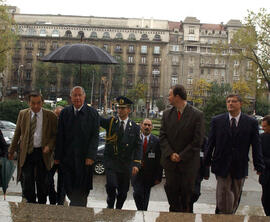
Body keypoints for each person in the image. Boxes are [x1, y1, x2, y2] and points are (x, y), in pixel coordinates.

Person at [204, 94, 265, 214]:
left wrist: (259, 165)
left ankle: (227, 213)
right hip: (221, 164)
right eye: (228, 101)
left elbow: (256, 145)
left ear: (240, 104)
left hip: (240, 165)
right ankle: (225, 215)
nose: (230, 103)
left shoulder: (250, 122)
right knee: (224, 193)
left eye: (233, 101)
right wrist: (206, 161)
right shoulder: (217, 121)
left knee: (236, 194)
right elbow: (211, 142)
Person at [159, 84, 205, 212]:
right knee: (172, 198)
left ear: (177, 96)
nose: (168, 98)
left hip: (188, 165)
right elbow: (162, 136)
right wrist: (171, 153)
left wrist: (181, 156)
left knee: (186, 201)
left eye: (170, 95)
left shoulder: (197, 115)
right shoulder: (167, 114)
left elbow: (198, 141)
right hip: (171, 164)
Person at [8, 92, 58, 204]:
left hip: (42, 153)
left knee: (42, 183)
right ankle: (30, 205)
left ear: (42, 102)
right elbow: (17, 133)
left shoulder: (50, 116)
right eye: (33, 103)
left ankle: (41, 204)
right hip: (27, 152)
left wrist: (49, 146)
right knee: (27, 182)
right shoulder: (23, 114)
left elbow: (55, 135)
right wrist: (11, 151)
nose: (36, 106)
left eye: (38, 103)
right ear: (29, 103)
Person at [55, 86, 99, 207]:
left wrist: (91, 156)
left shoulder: (93, 114)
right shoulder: (65, 113)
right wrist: (57, 158)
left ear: (84, 96)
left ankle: (79, 215)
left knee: (82, 192)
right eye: (75, 95)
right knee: (69, 189)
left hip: (85, 161)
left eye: (80, 95)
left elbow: (95, 137)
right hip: (67, 160)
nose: (78, 98)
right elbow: (60, 136)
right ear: (71, 97)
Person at [100, 96, 142, 209]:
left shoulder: (135, 127)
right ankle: (110, 205)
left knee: (123, 193)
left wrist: (136, 163)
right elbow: (97, 119)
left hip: (126, 165)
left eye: (123, 108)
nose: (120, 110)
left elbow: (138, 146)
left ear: (129, 110)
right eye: (118, 108)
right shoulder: (111, 122)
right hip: (112, 163)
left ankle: (118, 209)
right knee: (111, 186)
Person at [131, 118, 162, 211]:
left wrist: (158, 177)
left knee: (145, 195)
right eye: (145, 124)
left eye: (149, 125)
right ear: (141, 126)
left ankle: (143, 212)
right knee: (137, 193)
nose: (147, 127)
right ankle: (141, 210)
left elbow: (159, 161)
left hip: (149, 175)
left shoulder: (157, 141)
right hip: (136, 173)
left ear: (152, 127)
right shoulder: (134, 139)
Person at [48, 106, 66, 205]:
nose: (58, 118)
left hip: (63, 158)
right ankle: (52, 197)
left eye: (60, 116)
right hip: (51, 158)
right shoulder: (50, 125)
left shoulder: (67, 126)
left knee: (62, 183)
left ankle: (60, 201)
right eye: (56, 116)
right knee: (48, 180)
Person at [189, 136, 209, 213]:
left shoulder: (204, 139)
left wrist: (206, 172)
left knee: (195, 193)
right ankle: (188, 210)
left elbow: (207, 155)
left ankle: (190, 206)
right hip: (185, 170)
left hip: (198, 171)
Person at [259, 115, 270, 216]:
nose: (262, 128)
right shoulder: (262, 138)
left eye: (265, 126)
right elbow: (259, 156)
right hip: (266, 175)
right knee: (265, 199)